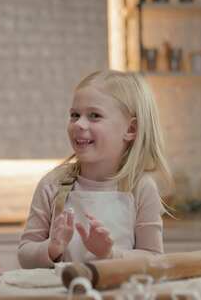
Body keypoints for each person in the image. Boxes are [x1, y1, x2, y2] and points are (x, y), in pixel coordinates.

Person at [18, 70, 172, 268]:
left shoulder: (141, 187)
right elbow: (25, 255)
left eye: (94, 116)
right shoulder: (53, 184)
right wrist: (52, 247)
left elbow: (154, 259)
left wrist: (110, 255)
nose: (79, 124)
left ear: (131, 130)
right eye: (75, 115)